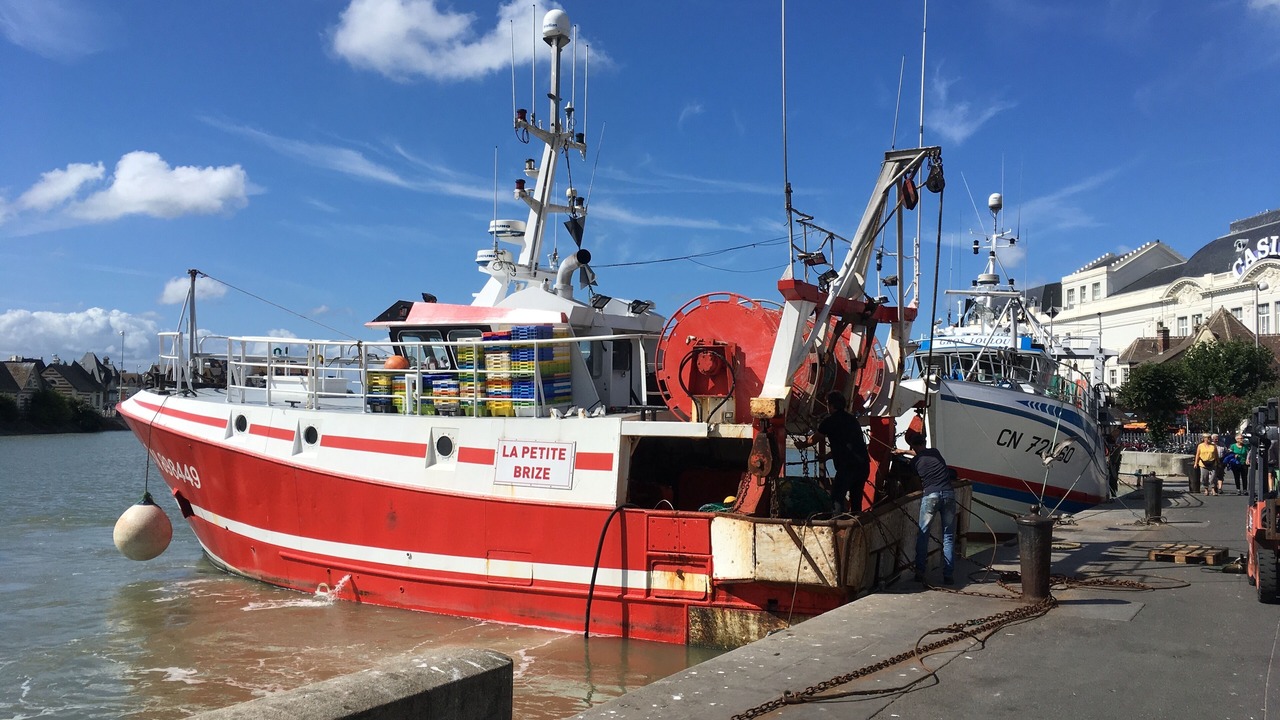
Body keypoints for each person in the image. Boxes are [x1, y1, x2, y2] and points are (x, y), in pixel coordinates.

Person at [796, 391, 870, 514]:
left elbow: (814, 439)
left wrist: (801, 445)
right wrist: (826, 457)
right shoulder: (853, 420)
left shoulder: (829, 421)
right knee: (856, 499)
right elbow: (847, 446)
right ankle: (856, 520)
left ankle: (836, 522)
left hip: (847, 468)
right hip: (863, 466)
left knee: (837, 498)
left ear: (831, 405)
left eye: (827, 404)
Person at [898, 431, 956, 584]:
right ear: (924, 443)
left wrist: (902, 452)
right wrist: (903, 451)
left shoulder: (915, 462)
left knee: (923, 534)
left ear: (912, 446)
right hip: (948, 494)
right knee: (948, 536)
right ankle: (948, 575)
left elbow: (916, 471)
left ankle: (920, 572)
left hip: (931, 495)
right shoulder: (935, 452)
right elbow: (922, 452)